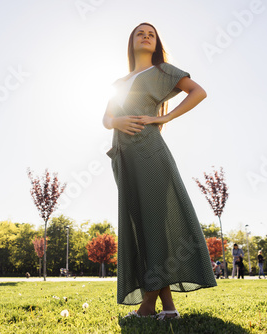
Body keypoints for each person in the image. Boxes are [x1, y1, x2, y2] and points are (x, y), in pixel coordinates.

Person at [103, 22, 216, 320]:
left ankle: (147, 308)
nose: (146, 36)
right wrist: (117, 123)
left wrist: (159, 120)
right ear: (132, 41)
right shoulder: (120, 80)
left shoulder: (163, 70)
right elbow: (106, 117)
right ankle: (168, 308)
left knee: (154, 225)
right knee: (143, 227)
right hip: (123, 158)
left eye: (151, 34)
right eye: (140, 32)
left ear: (156, 43)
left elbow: (198, 92)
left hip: (150, 154)